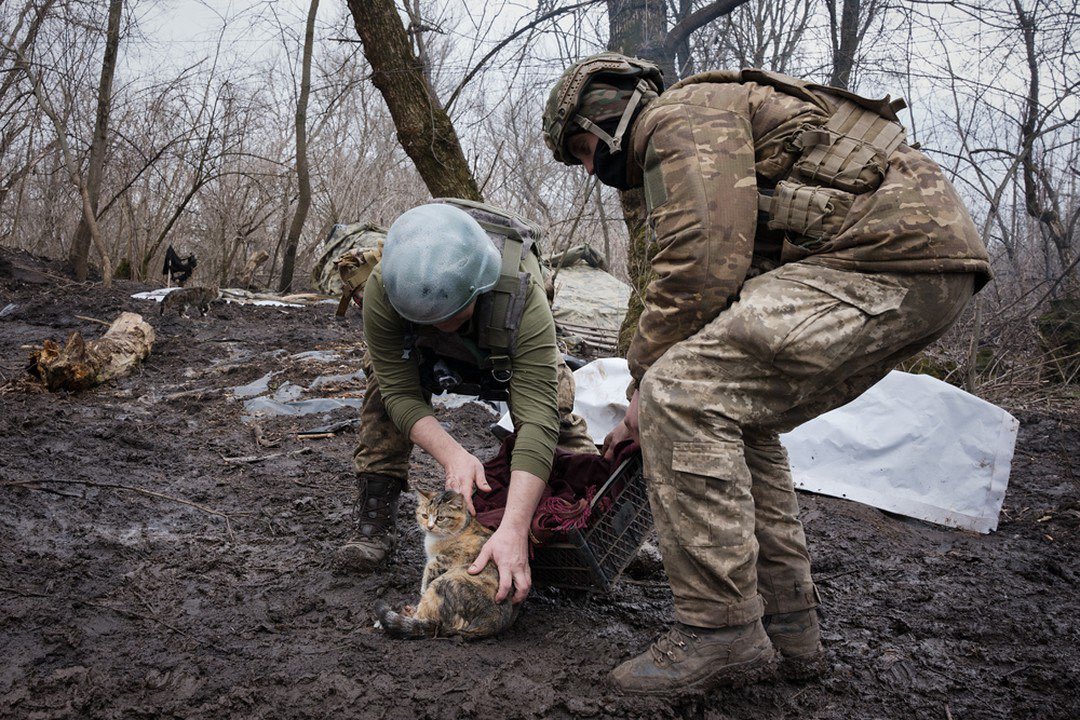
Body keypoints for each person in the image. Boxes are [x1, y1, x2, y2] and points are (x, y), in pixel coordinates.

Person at [543, 53, 991, 694]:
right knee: (732, 414)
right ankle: (792, 632)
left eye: (584, 150)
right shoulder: (703, 129)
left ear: (606, 116)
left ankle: (719, 630)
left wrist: (644, 385)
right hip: (916, 264)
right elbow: (695, 278)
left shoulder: (679, 119)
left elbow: (700, 264)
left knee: (682, 396)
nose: (590, 168)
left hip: (882, 261)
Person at [335, 200, 596, 605]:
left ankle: (596, 517)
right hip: (421, 355)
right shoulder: (385, 289)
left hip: (503, 350)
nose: (443, 325)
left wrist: (512, 528)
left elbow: (538, 420)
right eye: (432, 317)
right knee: (379, 392)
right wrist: (453, 455)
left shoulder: (518, 288)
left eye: (452, 315)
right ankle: (376, 510)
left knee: (556, 405)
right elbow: (400, 393)